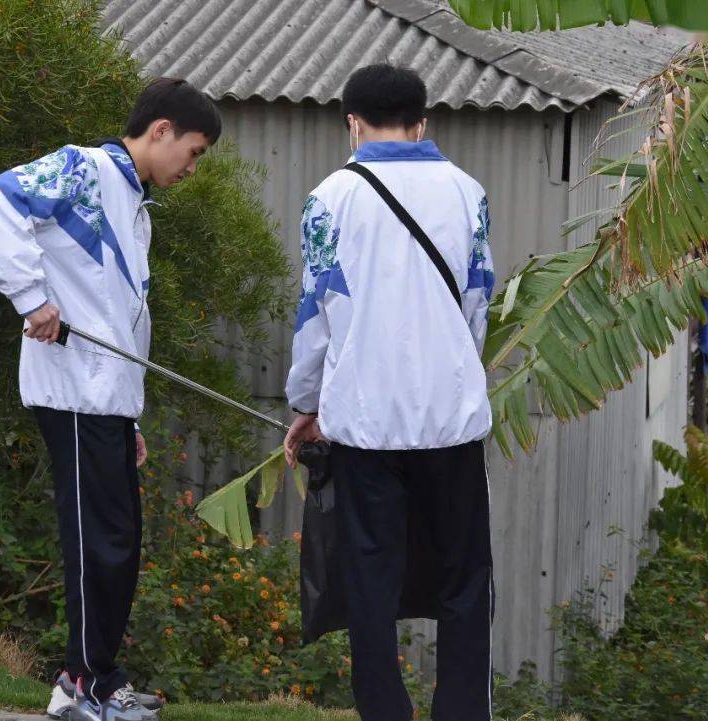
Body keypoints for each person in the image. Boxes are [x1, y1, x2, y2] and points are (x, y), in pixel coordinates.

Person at [0, 77, 220, 721]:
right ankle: (79, 685)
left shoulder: (133, 205)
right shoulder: (86, 167)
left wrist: (129, 412)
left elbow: (117, 317)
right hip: (73, 391)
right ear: (161, 130)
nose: (192, 167)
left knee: (119, 541)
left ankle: (99, 679)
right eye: (193, 151)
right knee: (98, 542)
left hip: (104, 398)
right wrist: (31, 298)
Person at [283, 64, 496, 721]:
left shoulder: (330, 199)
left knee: (370, 575)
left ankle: (383, 709)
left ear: (352, 121)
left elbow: (317, 314)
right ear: (422, 121)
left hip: (365, 424)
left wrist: (306, 402)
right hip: (450, 420)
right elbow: (477, 304)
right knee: (464, 576)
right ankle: (461, 710)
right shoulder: (467, 192)